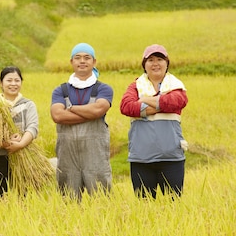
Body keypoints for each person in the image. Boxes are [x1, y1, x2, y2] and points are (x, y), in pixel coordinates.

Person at [120, 44, 188, 199]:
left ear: (167, 63)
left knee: (173, 205)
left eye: (159, 59)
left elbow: (178, 101)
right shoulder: (135, 86)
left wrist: (144, 100)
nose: (155, 63)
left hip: (171, 157)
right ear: (144, 64)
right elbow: (126, 106)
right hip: (141, 157)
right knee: (145, 207)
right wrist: (160, 105)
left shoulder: (176, 86)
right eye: (150, 60)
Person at [50, 43, 113, 200]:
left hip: (95, 154)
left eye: (87, 57)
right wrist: (89, 112)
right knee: (68, 200)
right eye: (77, 58)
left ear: (94, 62)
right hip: (67, 155)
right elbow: (57, 115)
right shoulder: (61, 90)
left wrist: (71, 109)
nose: (82, 61)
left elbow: (99, 110)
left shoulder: (103, 89)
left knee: (101, 198)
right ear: (71, 62)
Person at [0, 66, 39, 197]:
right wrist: (7, 143)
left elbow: (33, 127)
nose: (13, 84)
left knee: (22, 199)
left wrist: (21, 144)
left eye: (17, 80)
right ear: (1, 83)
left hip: (23, 156)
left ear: (21, 82)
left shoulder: (28, 104)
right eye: (9, 80)